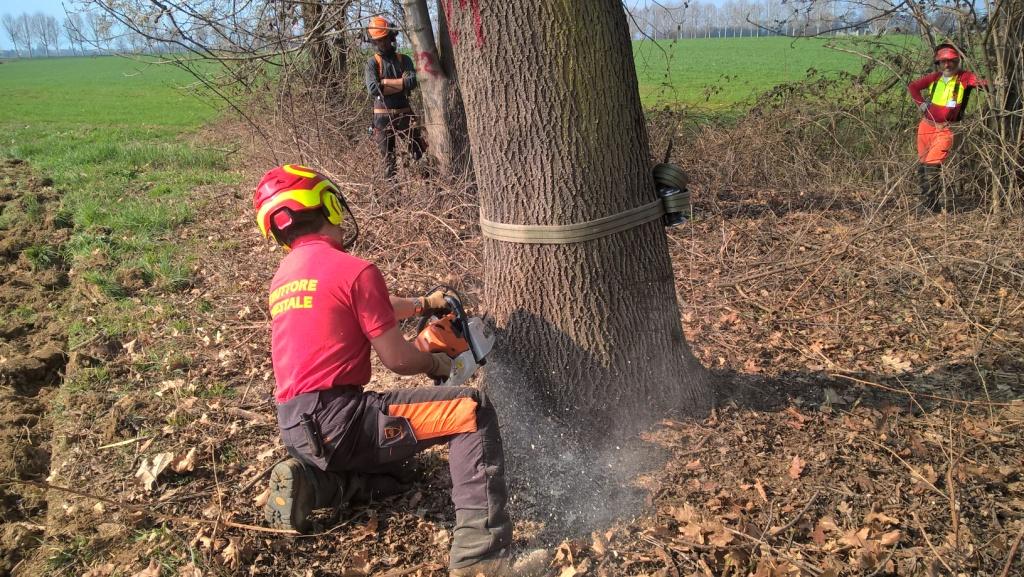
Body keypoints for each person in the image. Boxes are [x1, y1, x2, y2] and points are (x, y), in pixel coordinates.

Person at [254, 164, 548, 576]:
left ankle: (316, 483)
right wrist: (436, 360)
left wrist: (423, 305)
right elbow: (398, 360)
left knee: (401, 469)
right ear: (330, 205)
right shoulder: (355, 269)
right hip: (341, 420)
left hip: (297, 427)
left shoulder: (285, 277)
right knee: (471, 411)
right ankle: (482, 560)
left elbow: (365, 306)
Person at [908, 43, 985, 212]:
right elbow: (913, 87)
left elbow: (981, 82)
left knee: (932, 165)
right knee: (922, 165)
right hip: (926, 127)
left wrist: (997, 83)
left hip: (946, 129)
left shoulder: (965, 77)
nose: (947, 65)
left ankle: (930, 205)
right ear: (938, 63)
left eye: (951, 61)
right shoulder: (934, 77)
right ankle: (929, 203)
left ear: (957, 61)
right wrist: (921, 105)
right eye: (943, 62)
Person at [365, 16, 426, 181]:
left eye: (384, 39)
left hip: (405, 115)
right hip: (382, 119)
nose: (382, 44)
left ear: (390, 37)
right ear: (373, 42)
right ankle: (392, 199)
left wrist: (385, 84)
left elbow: (412, 81)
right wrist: (401, 83)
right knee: (388, 163)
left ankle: (429, 187)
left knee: (419, 153)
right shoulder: (372, 63)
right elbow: (373, 88)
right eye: (378, 41)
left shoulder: (403, 59)